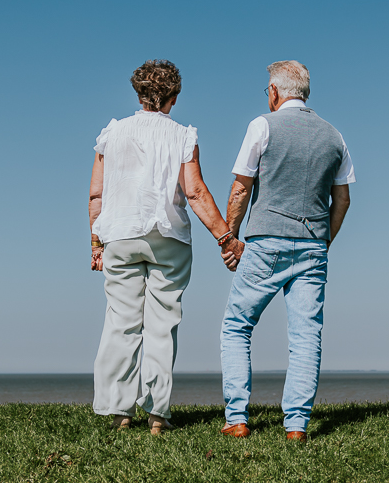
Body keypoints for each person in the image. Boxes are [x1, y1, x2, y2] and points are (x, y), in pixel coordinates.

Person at [89, 59, 243, 435]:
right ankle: (157, 415)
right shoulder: (182, 135)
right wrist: (226, 237)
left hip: (119, 235)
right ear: (173, 96)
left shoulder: (111, 134)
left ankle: (119, 412)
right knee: (162, 323)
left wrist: (96, 243)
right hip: (167, 237)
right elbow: (194, 191)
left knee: (121, 322)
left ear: (139, 94)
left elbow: (97, 194)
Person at [219, 60, 354, 441]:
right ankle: (296, 426)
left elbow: (241, 188)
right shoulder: (335, 136)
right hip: (313, 245)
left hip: (265, 243)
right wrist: (324, 240)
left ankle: (237, 418)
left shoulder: (262, 125)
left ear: (275, 91)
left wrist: (231, 237)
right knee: (306, 335)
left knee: (237, 326)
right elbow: (342, 200)